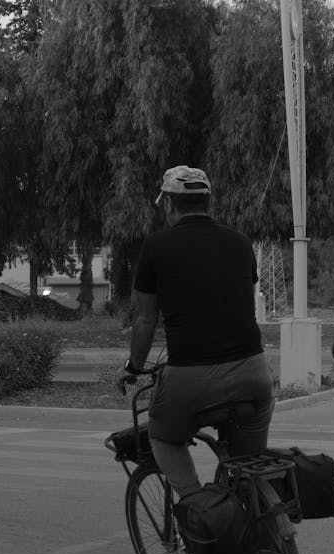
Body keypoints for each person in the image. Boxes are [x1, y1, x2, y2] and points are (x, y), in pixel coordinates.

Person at [116, 165, 274, 500]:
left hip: (191, 378)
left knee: (161, 435)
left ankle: (197, 507)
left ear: (169, 204)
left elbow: (146, 320)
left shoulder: (156, 247)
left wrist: (133, 367)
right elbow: (239, 299)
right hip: (253, 372)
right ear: (207, 203)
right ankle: (264, 535)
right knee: (249, 465)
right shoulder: (240, 243)